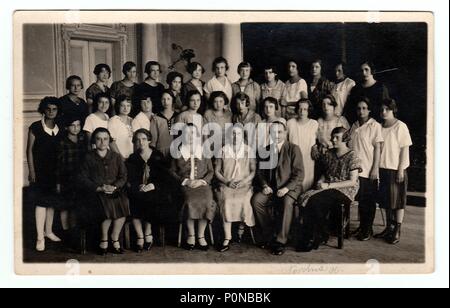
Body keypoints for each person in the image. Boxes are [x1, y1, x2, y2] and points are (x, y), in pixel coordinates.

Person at [297, 127, 362, 252]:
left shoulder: (352, 156)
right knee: (304, 197)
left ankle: (314, 237)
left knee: (316, 201)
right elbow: (326, 173)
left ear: (346, 139)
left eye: (337, 137)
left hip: (345, 190)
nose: (333, 139)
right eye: (333, 136)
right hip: (328, 186)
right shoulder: (329, 154)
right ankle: (314, 234)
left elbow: (352, 181)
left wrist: (328, 186)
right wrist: (321, 181)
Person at [251, 119, 305, 256]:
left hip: (290, 188)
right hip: (271, 188)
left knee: (287, 203)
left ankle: (281, 240)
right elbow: (260, 173)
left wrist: (286, 188)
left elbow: (299, 173)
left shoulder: (293, 148)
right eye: (274, 132)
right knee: (257, 201)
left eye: (280, 132)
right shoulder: (265, 150)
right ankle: (270, 233)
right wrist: (264, 185)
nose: (277, 135)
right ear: (269, 133)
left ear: (285, 133)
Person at [78, 128, 130, 255]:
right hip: (95, 192)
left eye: (105, 139)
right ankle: (104, 238)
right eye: (99, 139)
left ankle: (114, 237)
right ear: (94, 140)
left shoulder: (116, 157)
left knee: (123, 203)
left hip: (114, 190)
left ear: (109, 140)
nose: (102, 142)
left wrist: (115, 187)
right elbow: (82, 178)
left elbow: (123, 176)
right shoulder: (88, 157)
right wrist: (99, 188)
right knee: (107, 206)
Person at [126, 129, 174, 252]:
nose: (140, 142)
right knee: (135, 199)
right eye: (137, 140)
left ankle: (148, 233)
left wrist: (154, 185)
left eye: (143, 139)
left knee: (150, 199)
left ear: (149, 140)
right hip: (139, 188)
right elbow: (130, 177)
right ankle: (140, 236)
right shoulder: (133, 158)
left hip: (155, 188)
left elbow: (165, 177)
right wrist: (139, 185)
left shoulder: (158, 155)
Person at [169, 124, 216, 251]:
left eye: (193, 133)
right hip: (185, 185)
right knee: (189, 201)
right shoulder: (177, 151)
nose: (190, 136)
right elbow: (172, 172)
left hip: (202, 185)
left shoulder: (204, 151)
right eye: (187, 133)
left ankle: (201, 235)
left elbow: (211, 171)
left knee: (207, 202)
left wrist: (202, 181)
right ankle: (191, 234)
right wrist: (185, 181)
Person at [27, 97, 63, 252]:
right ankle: (39, 237)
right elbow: (29, 150)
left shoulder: (60, 127)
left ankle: (48, 231)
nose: (51, 112)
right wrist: (32, 171)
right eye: (48, 109)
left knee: (52, 201)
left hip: (55, 170)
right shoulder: (35, 127)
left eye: (54, 109)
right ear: (43, 109)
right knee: (41, 202)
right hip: (40, 171)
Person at [374, 99, 412, 245]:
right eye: (382, 109)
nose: (384, 112)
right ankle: (388, 227)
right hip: (382, 169)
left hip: (396, 169)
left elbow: (404, 149)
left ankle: (397, 229)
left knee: (398, 201)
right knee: (386, 201)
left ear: (393, 110)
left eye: (387, 109)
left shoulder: (400, 126)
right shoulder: (379, 127)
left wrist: (401, 169)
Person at [215, 125, 256, 252]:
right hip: (227, 184)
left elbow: (253, 171)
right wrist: (227, 181)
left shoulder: (249, 150)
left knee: (244, 201)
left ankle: (241, 229)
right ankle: (228, 237)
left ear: (242, 136)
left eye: (238, 134)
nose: (235, 136)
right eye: (233, 133)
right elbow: (217, 171)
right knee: (227, 201)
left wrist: (244, 181)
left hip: (244, 184)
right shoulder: (222, 150)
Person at [348, 97, 383, 241]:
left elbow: (378, 148)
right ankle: (362, 227)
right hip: (355, 170)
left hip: (369, 169)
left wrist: (375, 168)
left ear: (369, 110)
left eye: (364, 108)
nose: (361, 111)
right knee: (361, 200)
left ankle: (367, 229)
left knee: (368, 201)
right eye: (359, 108)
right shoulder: (354, 126)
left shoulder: (374, 125)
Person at [56, 115, 88, 246]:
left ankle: (74, 233)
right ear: (66, 127)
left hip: (80, 179)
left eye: (78, 125)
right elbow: (57, 165)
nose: (76, 128)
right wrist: (58, 183)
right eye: (72, 125)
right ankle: (65, 233)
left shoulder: (82, 141)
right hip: (66, 178)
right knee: (65, 205)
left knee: (76, 206)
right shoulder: (62, 142)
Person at [287, 99, 319, 191]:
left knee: (307, 182)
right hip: (293, 157)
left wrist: (315, 146)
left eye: (305, 109)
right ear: (297, 109)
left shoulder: (314, 123)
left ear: (309, 110)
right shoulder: (290, 123)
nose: (302, 112)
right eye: (300, 109)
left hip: (308, 157)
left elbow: (318, 140)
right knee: (294, 180)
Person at [108, 95, 134, 160]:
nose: (126, 108)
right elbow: (111, 142)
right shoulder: (113, 120)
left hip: (131, 158)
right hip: (119, 158)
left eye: (128, 105)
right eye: (122, 105)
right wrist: (121, 158)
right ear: (118, 106)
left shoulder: (133, 120)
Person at [156, 90, 179, 157]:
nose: (166, 102)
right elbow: (153, 141)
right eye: (163, 99)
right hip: (161, 151)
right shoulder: (156, 117)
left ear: (172, 100)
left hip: (176, 151)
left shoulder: (178, 116)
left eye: (168, 99)